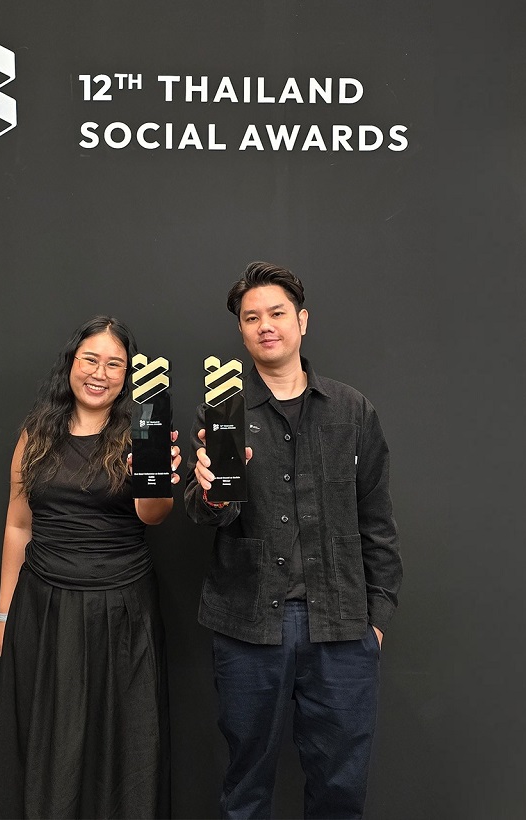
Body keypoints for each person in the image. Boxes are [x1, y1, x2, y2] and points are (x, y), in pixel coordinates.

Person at [186, 262, 403, 819]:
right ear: (241, 331)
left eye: (277, 313)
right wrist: (211, 494)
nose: (265, 325)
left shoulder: (352, 410)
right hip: (248, 623)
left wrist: (377, 617)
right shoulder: (224, 409)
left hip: (343, 626)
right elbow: (210, 513)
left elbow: (377, 520)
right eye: (251, 317)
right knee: (246, 786)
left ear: (302, 321)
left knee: (340, 790)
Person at [0, 316, 180, 819]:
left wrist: (153, 478)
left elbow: (154, 516)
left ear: (127, 376)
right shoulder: (36, 434)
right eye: (90, 359)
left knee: (122, 743)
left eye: (114, 364)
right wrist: (5, 612)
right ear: (71, 363)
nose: (100, 373)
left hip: (122, 611)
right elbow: (18, 525)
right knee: (47, 742)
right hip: (42, 608)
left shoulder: (144, 432)